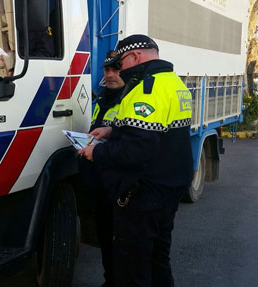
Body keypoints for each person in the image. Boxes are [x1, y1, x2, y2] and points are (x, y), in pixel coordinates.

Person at [78, 34, 194, 287]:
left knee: (133, 267)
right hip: (169, 186)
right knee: (158, 259)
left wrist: (95, 152)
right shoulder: (173, 83)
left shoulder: (146, 88)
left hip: (145, 193)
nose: (120, 69)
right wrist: (111, 131)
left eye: (120, 63)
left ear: (135, 56)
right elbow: (157, 132)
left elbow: (135, 151)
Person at [81, 50, 125, 287]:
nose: (110, 75)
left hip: (119, 183)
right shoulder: (101, 100)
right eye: (107, 70)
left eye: (116, 69)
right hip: (99, 181)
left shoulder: (129, 101)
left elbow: (130, 143)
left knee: (122, 242)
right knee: (106, 240)